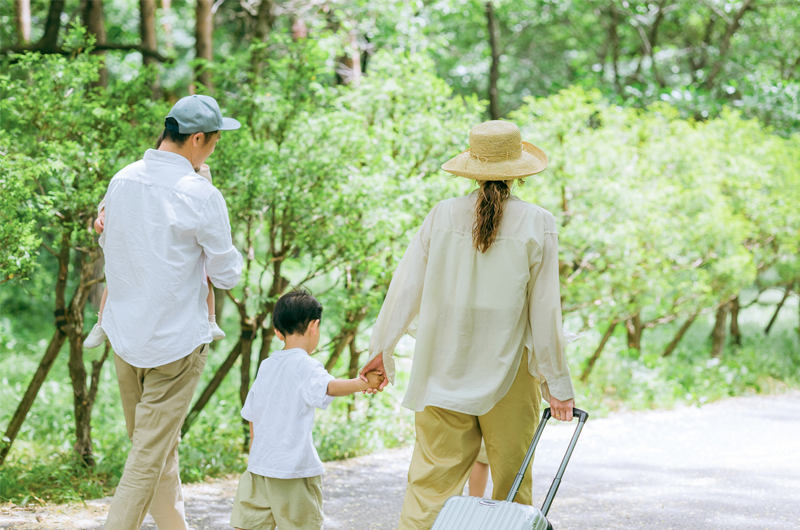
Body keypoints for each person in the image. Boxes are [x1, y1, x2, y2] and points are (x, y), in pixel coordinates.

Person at [360, 120, 579, 530]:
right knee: (511, 493)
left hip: (440, 368)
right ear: (518, 172)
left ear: (471, 167)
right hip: (510, 377)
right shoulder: (537, 223)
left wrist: (380, 350)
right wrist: (557, 387)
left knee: (429, 490)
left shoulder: (442, 215)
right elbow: (545, 312)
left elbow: (404, 288)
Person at [100, 94, 243, 530]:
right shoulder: (200, 194)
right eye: (216, 139)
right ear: (198, 139)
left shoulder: (122, 179)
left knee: (157, 450)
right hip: (175, 345)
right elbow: (227, 274)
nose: (216, 146)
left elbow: (110, 245)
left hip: (125, 338)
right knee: (148, 456)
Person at [230, 290, 385, 530]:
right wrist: (363, 383)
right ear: (315, 326)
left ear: (278, 331)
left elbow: (252, 414)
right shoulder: (306, 365)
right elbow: (330, 387)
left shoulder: (267, 365)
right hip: (293, 471)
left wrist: (256, 453)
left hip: (259, 468)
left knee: (248, 525)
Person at [85, 162, 226, 349]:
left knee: (203, 276)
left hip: (182, 244)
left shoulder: (200, 174)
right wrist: (102, 215)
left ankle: (210, 320)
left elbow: (206, 205)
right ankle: (102, 323)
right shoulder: (140, 174)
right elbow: (110, 200)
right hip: (144, 239)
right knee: (116, 276)